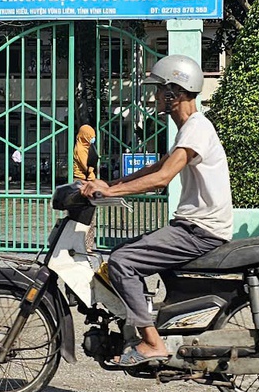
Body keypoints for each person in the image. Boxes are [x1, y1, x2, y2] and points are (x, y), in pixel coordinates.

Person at [80, 54, 233, 367]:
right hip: (195, 226)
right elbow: (157, 166)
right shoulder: (191, 129)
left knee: (122, 261)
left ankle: (152, 343)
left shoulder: (196, 129)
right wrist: (112, 183)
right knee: (124, 251)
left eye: (158, 90)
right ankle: (143, 324)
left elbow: (163, 178)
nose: (154, 97)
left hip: (200, 230)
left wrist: (111, 190)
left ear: (174, 93)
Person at [72, 124, 99, 252]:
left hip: (88, 181)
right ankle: (82, 245)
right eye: (90, 136)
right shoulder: (81, 149)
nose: (92, 138)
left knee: (89, 215)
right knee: (84, 215)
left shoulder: (87, 148)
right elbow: (87, 166)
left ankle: (87, 244)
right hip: (83, 182)